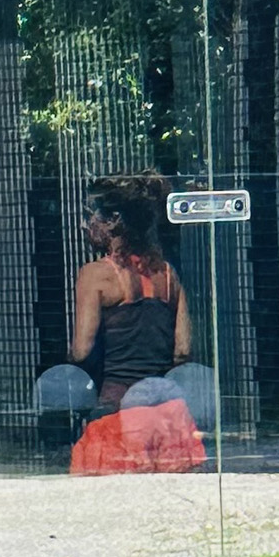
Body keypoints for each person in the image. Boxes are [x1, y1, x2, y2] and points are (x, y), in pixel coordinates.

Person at [67, 174, 204, 475]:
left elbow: (81, 351)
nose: (83, 225)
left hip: (115, 416)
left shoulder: (94, 275)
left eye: (90, 216)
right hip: (167, 417)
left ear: (113, 221)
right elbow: (183, 350)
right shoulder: (168, 274)